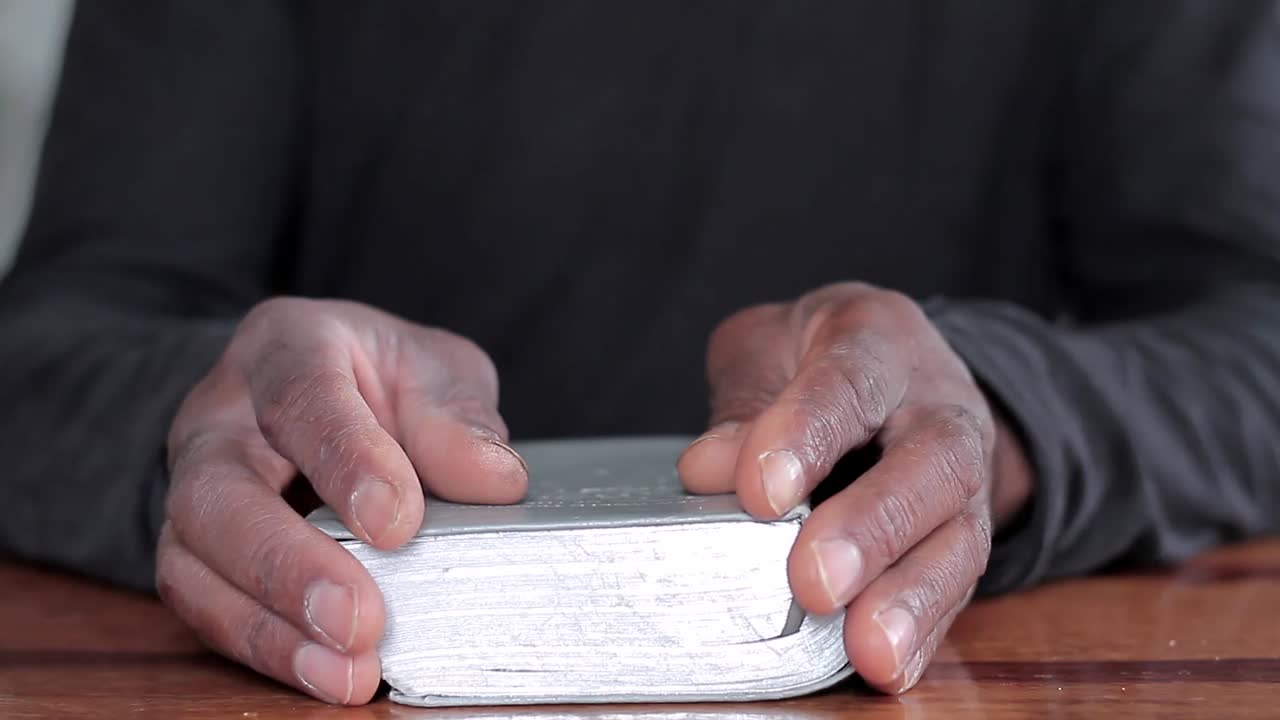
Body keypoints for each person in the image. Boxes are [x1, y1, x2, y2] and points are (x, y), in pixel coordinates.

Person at [1, 0, 1278, 707]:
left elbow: (1252, 332)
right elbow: (54, 341)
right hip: (342, 671)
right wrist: (226, 426)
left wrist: (993, 415)